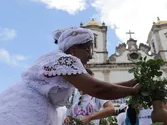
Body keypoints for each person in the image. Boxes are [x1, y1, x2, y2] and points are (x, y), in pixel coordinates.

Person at [0, 27, 141, 125]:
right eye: (88, 49)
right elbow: (97, 88)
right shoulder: (65, 60)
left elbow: (96, 85)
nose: (91, 55)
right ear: (73, 48)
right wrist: (132, 91)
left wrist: (129, 83)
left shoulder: (60, 60)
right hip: (24, 112)